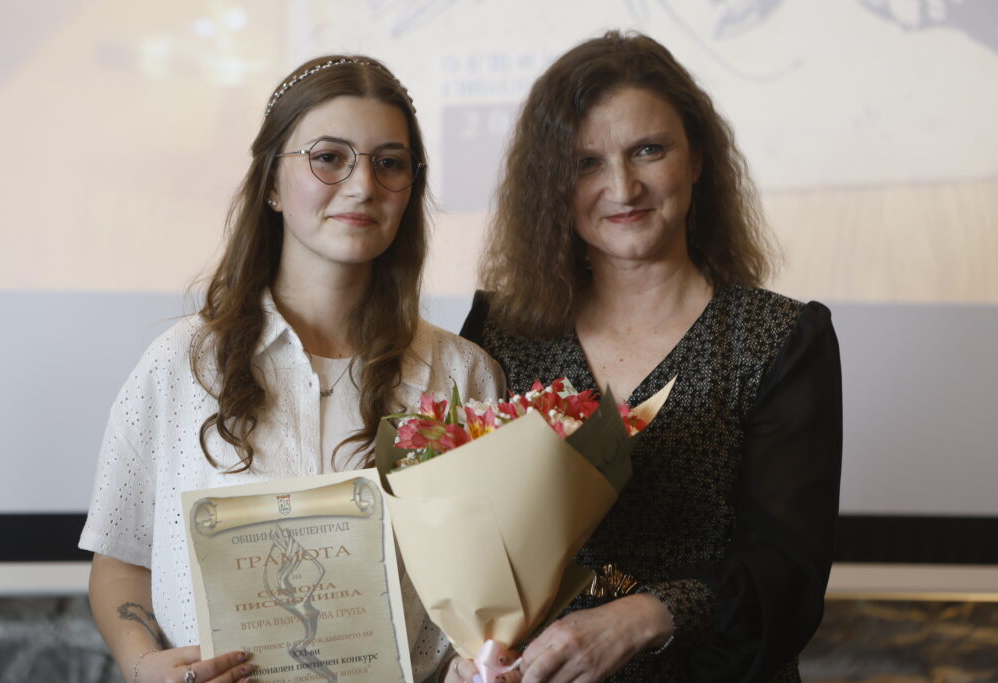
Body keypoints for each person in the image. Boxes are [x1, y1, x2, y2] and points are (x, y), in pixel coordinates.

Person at [79, 55, 504, 683]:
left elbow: (485, 592)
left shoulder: (465, 377)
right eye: (329, 157)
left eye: (389, 163)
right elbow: (121, 560)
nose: (362, 186)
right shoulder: (181, 363)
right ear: (272, 184)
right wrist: (143, 665)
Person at [460, 31, 842, 682]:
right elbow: (468, 540)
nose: (623, 185)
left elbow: (788, 574)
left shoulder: (781, 338)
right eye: (586, 162)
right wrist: (466, 654)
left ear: (697, 159)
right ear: (551, 183)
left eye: (649, 150)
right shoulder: (499, 332)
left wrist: (643, 616)